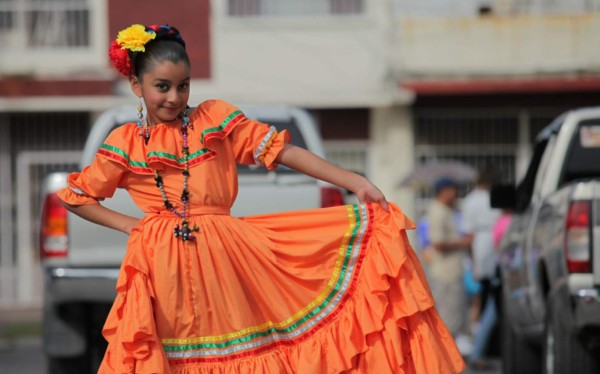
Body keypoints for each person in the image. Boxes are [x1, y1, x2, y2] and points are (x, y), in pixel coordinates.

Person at [58, 23, 465, 373]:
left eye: (183, 86)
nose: (174, 97)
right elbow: (77, 196)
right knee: (168, 354)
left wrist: (353, 180)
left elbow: (282, 151)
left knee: (241, 348)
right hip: (160, 263)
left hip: (228, 256)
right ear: (136, 85)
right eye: (161, 87)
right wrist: (133, 226)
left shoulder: (213, 119)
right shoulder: (124, 142)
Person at [462, 168, 501, 369]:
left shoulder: (469, 201)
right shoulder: (491, 199)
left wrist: (472, 261)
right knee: (488, 301)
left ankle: (480, 349)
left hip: (480, 248)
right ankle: (480, 350)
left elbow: (468, 235)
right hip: (493, 246)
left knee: (481, 299)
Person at [426, 177, 471, 349]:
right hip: (445, 274)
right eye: (453, 190)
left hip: (453, 271)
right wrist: (463, 243)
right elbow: (438, 243)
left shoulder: (447, 210)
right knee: (448, 320)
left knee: (455, 317)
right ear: (444, 191)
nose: (456, 194)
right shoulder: (437, 211)